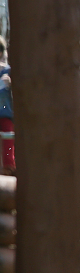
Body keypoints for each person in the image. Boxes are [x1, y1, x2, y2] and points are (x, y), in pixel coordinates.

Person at [0, 36, 13, 176]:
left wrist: (10, 84)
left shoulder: (7, 72)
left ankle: (9, 167)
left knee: (8, 135)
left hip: (5, 116)